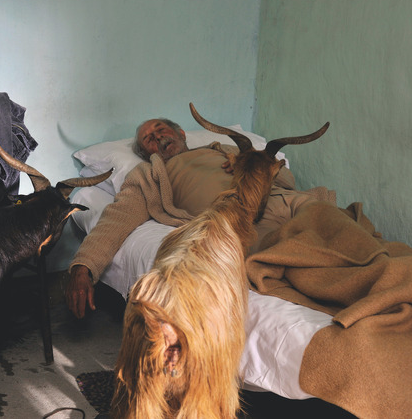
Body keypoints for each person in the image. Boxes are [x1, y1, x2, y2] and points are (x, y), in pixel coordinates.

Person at [66, 117, 330, 318]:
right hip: (240, 221)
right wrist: (84, 266)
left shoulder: (224, 149)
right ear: (146, 154)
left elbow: (286, 180)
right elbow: (118, 218)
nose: (158, 137)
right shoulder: (150, 175)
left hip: (290, 201)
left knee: (334, 226)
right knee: (296, 257)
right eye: (149, 139)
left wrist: (250, 166)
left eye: (161, 129)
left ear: (181, 134)